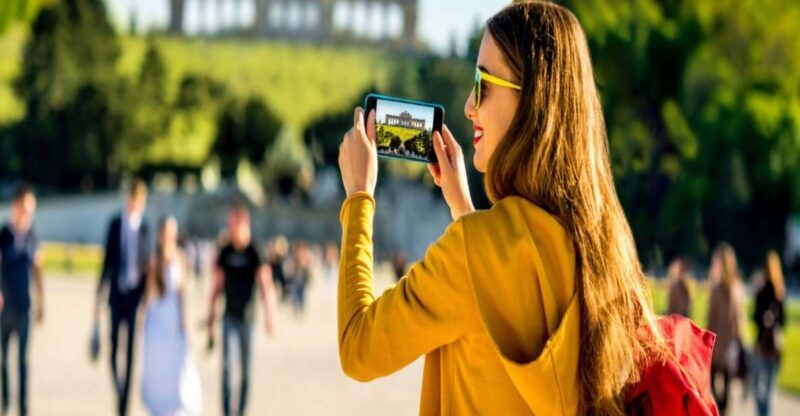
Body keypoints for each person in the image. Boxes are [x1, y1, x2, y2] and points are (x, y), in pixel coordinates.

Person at [335, 2, 716, 414]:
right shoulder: (605, 246)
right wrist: (465, 208)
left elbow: (359, 348)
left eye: (482, 83)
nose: (468, 105)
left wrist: (359, 197)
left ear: (530, 100)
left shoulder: (472, 251)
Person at [206, 201, 277, 416]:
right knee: (227, 367)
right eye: (230, 223)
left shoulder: (254, 250)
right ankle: (227, 412)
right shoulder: (225, 251)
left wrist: (270, 315)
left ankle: (241, 411)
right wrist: (210, 316)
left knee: (246, 371)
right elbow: (217, 287)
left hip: (248, 318)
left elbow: (265, 284)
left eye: (234, 223)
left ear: (245, 223)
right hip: (229, 316)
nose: (231, 228)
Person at [93, 179, 150, 416]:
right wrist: (99, 292)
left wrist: (147, 299)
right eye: (130, 199)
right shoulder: (115, 225)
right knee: (114, 345)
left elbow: (147, 265)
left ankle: (124, 405)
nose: (132, 204)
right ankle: (119, 387)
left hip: (135, 296)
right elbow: (107, 260)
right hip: (117, 293)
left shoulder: (145, 228)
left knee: (131, 350)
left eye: (137, 200)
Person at [141, 217, 201, 416]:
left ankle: (178, 400)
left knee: (178, 359)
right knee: (159, 362)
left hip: (173, 315)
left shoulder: (180, 257)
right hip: (158, 316)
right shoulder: (154, 259)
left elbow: (182, 292)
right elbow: (149, 296)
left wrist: (185, 320)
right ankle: (158, 401)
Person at [0, 184, 44, 416]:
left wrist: (41, 302)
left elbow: (38, 269)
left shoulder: (32, 235)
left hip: (24, 306)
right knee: (3, 358)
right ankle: (5, 402)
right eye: (25, 207)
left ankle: (24, 407)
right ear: (16, 206)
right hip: (4, 307)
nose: (28, 213)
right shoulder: (4, 234)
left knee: (23, 361)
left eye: (31, 209)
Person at [706, 242, 745, 415]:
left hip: (717, 346)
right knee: (726, 391)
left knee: (713, 388)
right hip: (730, 346)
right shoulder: (737, 287)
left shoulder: (717, 289)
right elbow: (738, 321)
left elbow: (712, 319)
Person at [751, 251, 786, 416]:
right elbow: (783, 321)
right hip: (776, 345)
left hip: (762, 342)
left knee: (757, 383)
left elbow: (755, 317)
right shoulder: (780, 292)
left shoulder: (762, 290)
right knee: (770, 386)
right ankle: (766, 413)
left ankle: (762, 412)